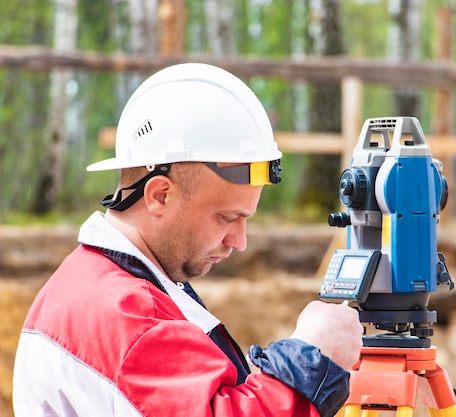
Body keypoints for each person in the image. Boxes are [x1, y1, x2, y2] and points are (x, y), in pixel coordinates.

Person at [13, 63, 363, 417]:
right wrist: (312, 360)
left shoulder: (94, 281)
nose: (239, 241)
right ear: (160, 195)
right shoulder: (131, 317)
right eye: (227, 217)